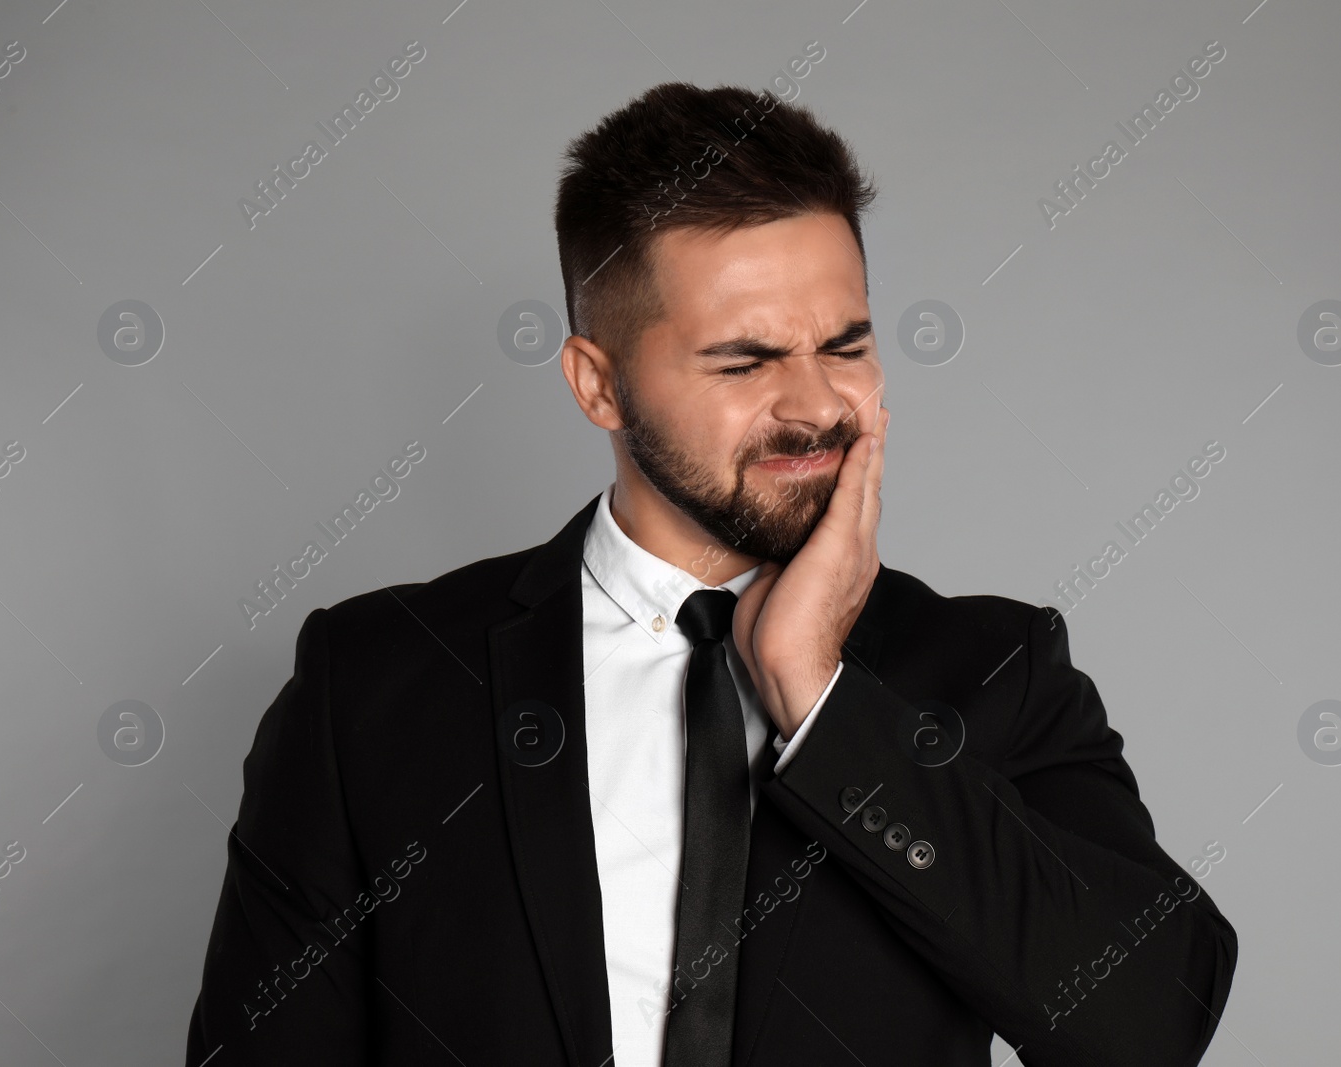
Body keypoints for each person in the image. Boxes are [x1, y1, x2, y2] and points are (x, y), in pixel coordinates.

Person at [186, 82, 1237, 1067]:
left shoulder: (991, 668)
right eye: (744, 361)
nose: (816, 403)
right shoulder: (370, 683)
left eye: (846, 343)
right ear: (598, 384)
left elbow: (1148, 1019)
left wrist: (823, 701)